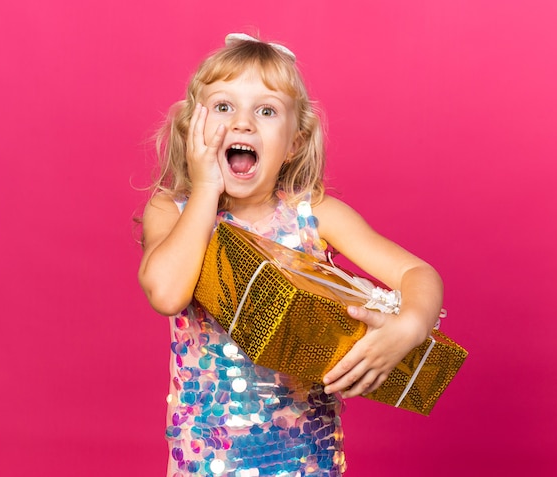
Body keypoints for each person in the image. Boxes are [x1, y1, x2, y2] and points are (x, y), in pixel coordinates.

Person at [138, 33, 443, 477]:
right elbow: (166, 292)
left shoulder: (314, 215)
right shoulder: (172, 211)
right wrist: (206, 188)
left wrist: (411, 325)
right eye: (223, 107)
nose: (242, 123)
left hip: (308, 461)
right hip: (208, 461)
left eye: (265, 110)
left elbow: (418, 272)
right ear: (192, 129)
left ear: (295, 143)